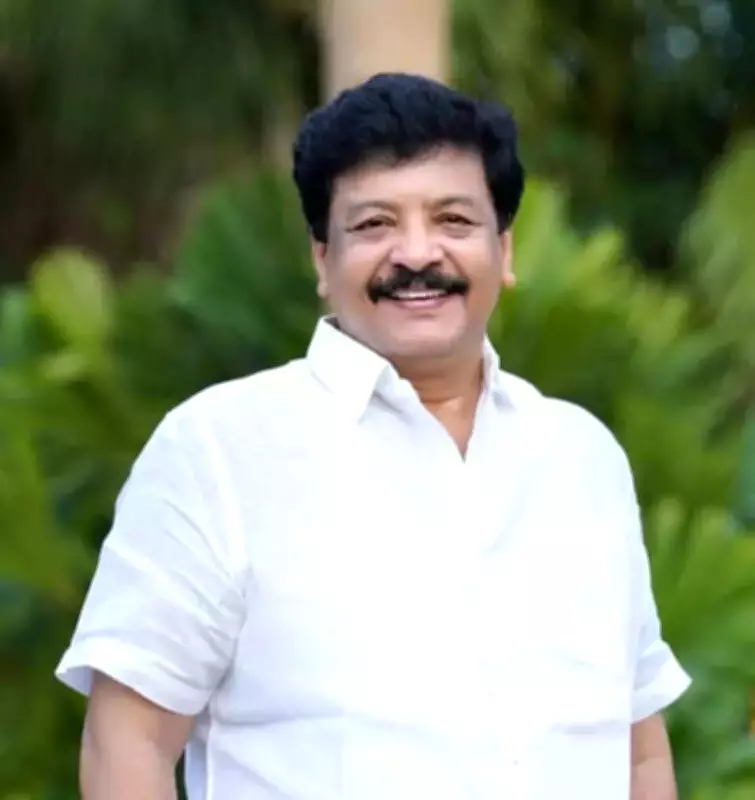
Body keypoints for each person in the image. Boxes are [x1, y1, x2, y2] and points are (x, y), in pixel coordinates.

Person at [56, 72, 691, 800]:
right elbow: (127, 743)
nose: (416, 254)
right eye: (374, 225)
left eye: (453, 221)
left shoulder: (582, 457)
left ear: (504, 250)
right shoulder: (219, 450)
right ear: (322, 260)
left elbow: (638, 750)